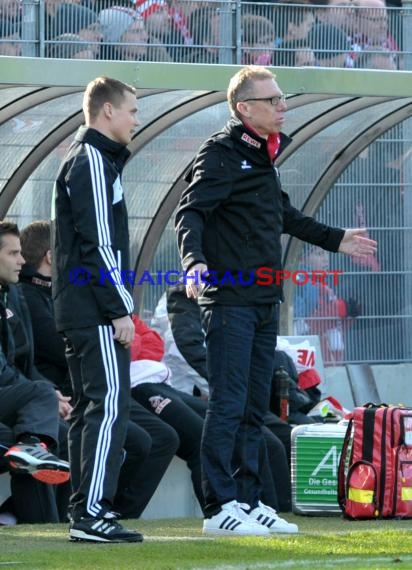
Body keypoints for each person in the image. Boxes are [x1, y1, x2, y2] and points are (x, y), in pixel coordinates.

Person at [175, 65, 377, 536]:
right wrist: (193, 262)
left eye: (282, 98)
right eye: (273, 100)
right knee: (227, 403)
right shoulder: (220, 153)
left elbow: (281, 214)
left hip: (265, 298)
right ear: (245, 108)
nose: (282, 106)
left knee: (252, 404)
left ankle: (249, 500)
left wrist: (336, 239)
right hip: (229, 299)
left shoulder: (266, 154)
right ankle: (219, 507)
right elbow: (190, 212)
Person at [19, 220, 179, 522]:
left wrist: (115, 340)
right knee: (130, 442)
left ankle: (112, 513)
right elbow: (66, 347)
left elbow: (142, 340)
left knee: (160, 438)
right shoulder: (29, 296)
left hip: (97, 386)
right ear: (53, 256)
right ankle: (89, 513)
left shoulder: (68, 292)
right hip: (71, 393)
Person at [52, 76, 142, 543]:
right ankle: (93, 512)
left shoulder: (89, 157)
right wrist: (120, 308)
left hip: (81, 306)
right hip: (94, 307)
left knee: (92, 408)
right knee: (107, 407)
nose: (136, 119)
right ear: (107, 111)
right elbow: (99, 243)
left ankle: (84, 512)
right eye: (131, 110)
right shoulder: (90, 159)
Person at [0, 221, 70, 523]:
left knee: (62, 438)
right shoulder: (23, 294)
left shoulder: (13, 295)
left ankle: (45, 527)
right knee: (32, 438)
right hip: (8, 394)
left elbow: (23, 364)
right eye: (13, 253)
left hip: (13, 396)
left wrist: (50, 393)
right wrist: (39, 393)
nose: (22, 260)